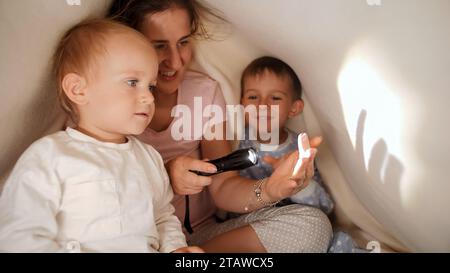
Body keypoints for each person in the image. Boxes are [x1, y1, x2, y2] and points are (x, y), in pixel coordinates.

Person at [108, 0, 332, 252]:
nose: (176, 60)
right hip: (136, 240)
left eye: (183, 42)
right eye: (159, 46)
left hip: (203, 239)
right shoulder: (107, 102)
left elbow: (223, 186)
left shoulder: (203, 93)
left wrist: (269, 190)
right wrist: (164, 176)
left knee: (313, 224)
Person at [0, 19, 201, 253]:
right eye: (132, 82)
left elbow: (162, 218)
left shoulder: (148, 158)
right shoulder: (50, 156)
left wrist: (176, 249)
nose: (148, 97)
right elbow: (19, 234)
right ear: (78, 89)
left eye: (151, 86)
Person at [238, 56, 334, 215]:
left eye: (275, 98)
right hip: (252, 223)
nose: (262, 105)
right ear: (242, 104)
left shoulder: (299, 148)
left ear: (294, 108)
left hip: (297, 221)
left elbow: (324, 208)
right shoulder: (238, 141)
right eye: (253, 97)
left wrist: (296, 182)